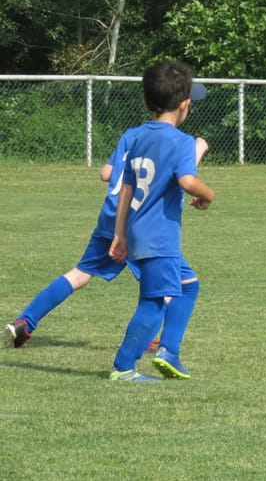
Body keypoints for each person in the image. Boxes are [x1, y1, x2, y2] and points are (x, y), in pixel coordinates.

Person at [3, 108, 209, 355]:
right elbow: (176, 178)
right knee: (172, 283)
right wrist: (198, 150)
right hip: (142, 222)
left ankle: (26, 320)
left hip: (111, 214)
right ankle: (150, 341)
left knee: (80, 273)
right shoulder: (177, 141)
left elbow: (107, 173)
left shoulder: (132, 135)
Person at [106, 60, 215, 382]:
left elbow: (125, 187)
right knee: (153, 301)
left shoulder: (135, 136)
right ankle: (124, 367)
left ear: (144, 101)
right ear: (185, 105)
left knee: (188, 285)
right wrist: (209, 195)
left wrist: (119, 233)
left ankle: (169, 350)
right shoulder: (181, 141)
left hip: (137, 230)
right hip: (161, 236)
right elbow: (186, 181)